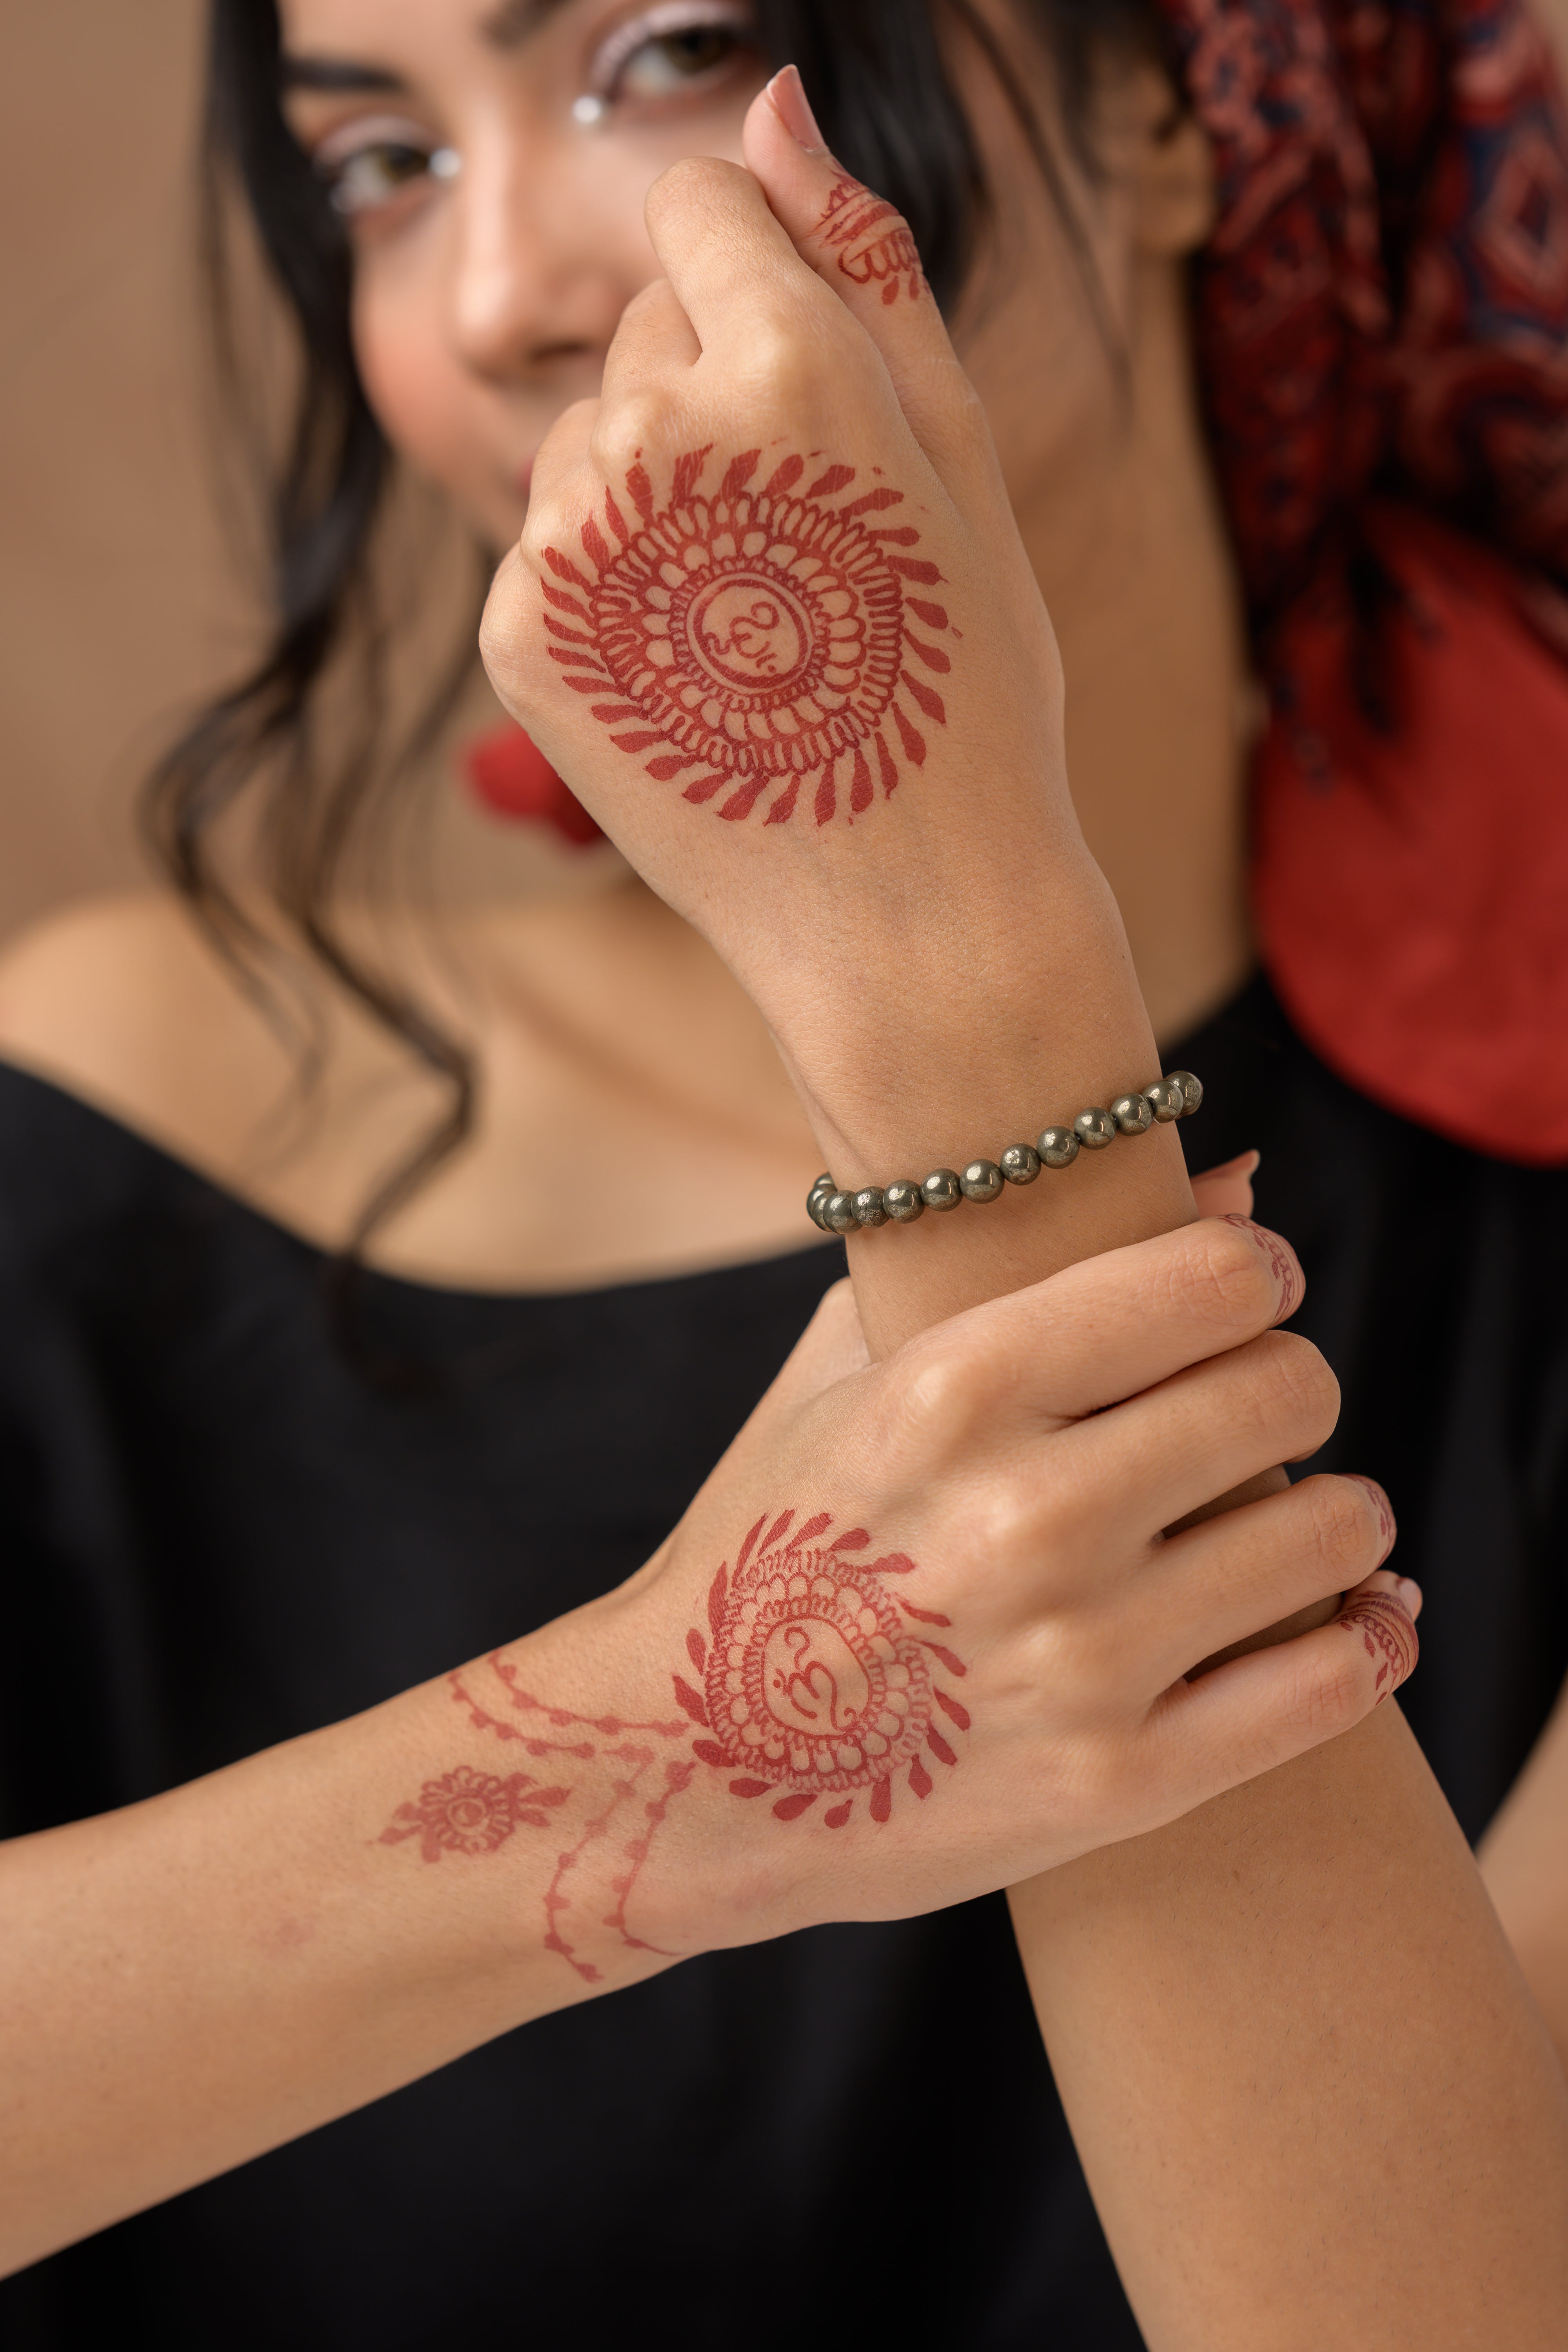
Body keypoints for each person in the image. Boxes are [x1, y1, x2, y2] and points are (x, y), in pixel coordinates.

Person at [0, 6, 1563, 2349]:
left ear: (1161, 113)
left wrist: (965, 1004)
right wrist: (695, 1760)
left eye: (662, 52)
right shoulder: (140, 1113)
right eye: (378, 168)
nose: (501, 286)